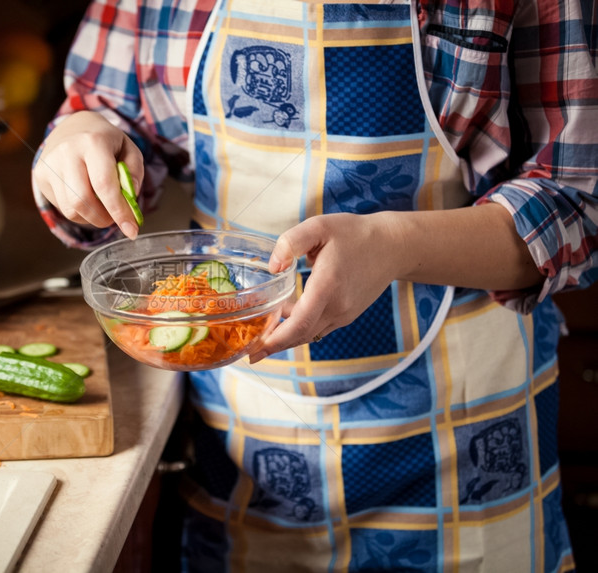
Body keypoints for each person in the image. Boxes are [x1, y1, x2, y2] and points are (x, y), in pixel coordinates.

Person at [31, 0, 597, 570]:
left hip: (464, 426)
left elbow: (579, 202)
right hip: (245, 425)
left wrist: (398, 246)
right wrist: (79, 139)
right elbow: (106, 116)